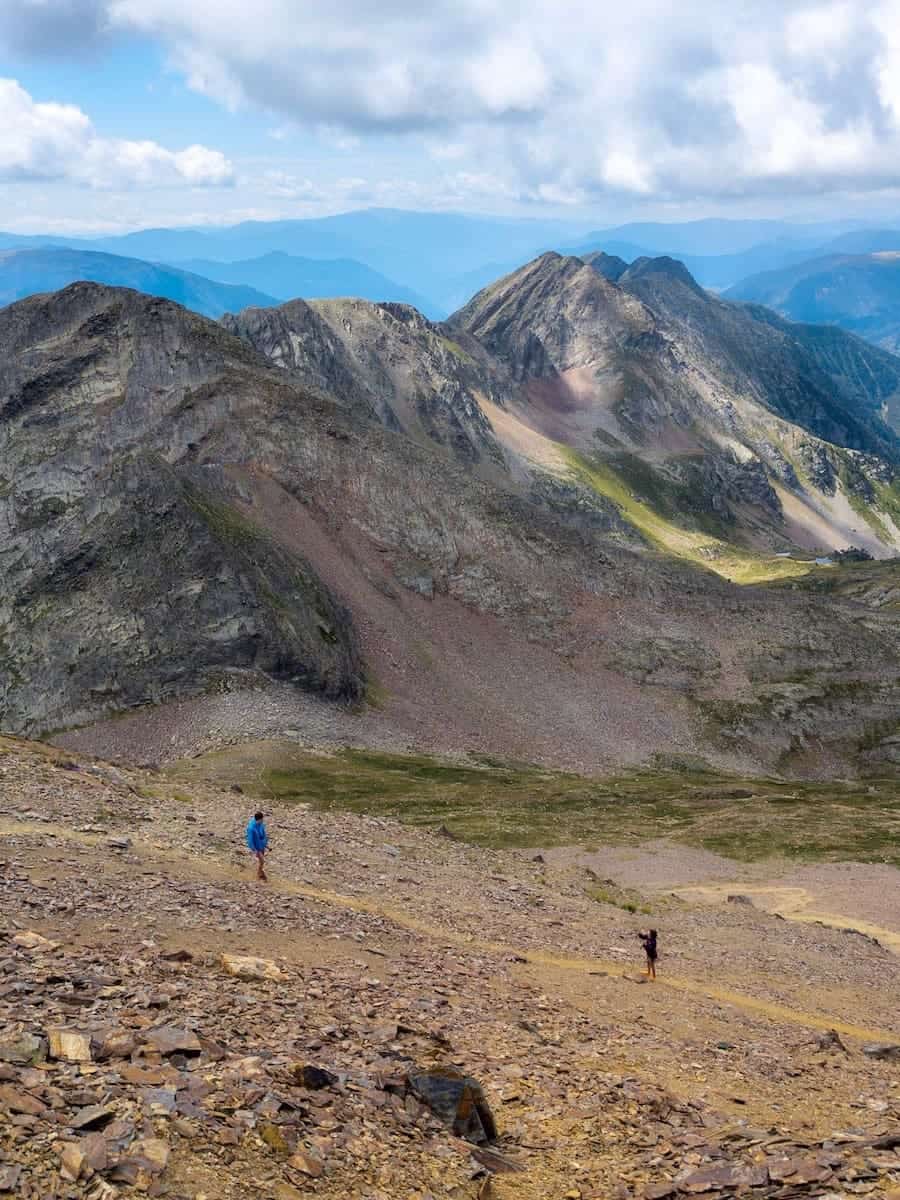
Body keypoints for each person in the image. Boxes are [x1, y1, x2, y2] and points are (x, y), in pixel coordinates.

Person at [245, 811, 269, 882]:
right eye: (262, 819)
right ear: (258, 819)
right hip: (257, 847)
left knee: (261, 861)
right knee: (262, 861)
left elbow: (263, 834)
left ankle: (261, 872)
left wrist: (266, 844)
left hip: (261, 845)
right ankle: (259, 874)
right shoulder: (251, 828)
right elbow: (250, 840)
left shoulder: (261, 824)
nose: (262, 821)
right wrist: (254, 850)